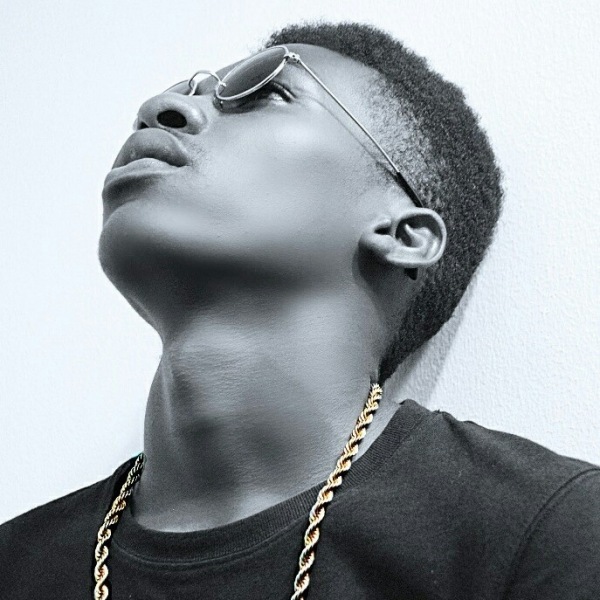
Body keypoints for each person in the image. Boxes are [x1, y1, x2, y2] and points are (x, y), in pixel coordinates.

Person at [1, 20, 598, 600]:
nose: (162, 108)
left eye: (268, 93)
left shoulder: (545, 534)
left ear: (403, 234)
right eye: (184, 90)